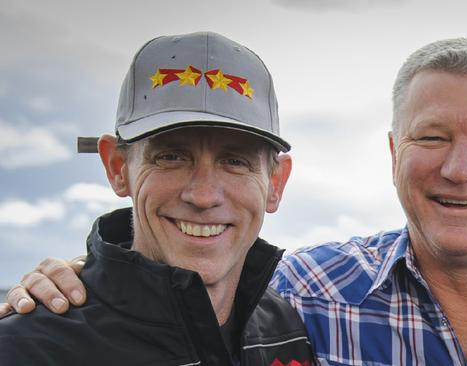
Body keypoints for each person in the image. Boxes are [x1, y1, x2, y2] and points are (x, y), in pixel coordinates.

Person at [4, 38, 467, 365]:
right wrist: (76, 284)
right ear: (394, 153)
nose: (459, 168)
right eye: (431, 137)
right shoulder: (300, 295)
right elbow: (168, 298)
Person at [0, 31, 313, 366]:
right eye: (172, 157)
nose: (204, 196)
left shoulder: (289, 327)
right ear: (118, 168)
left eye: (235, 161)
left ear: (275, 183)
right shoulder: (27, 349)